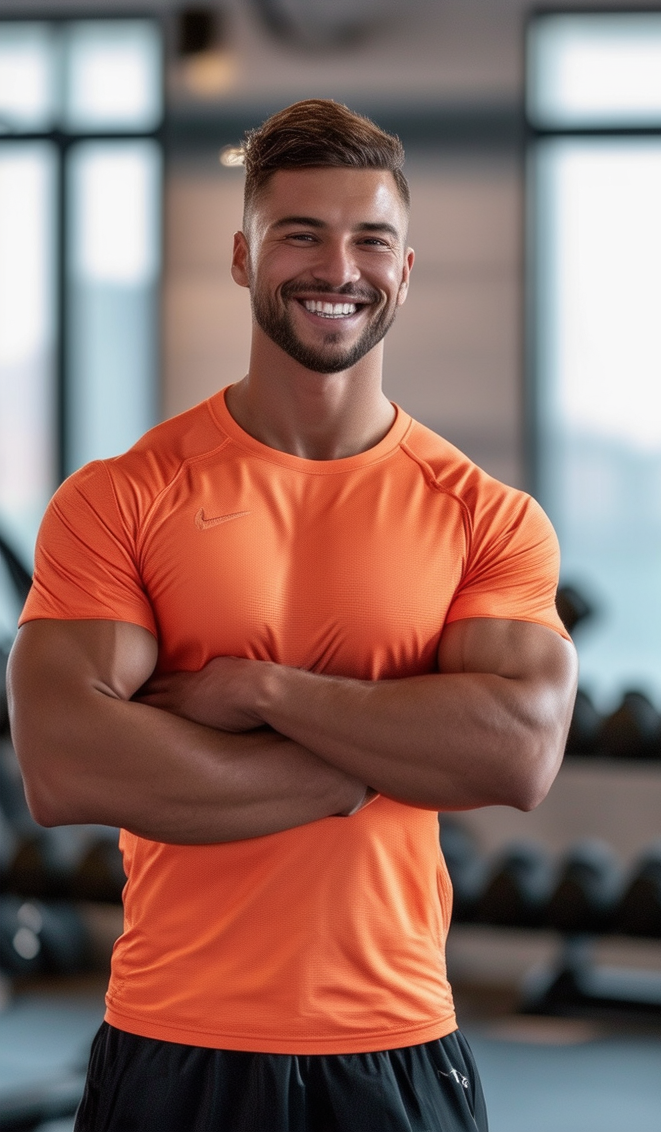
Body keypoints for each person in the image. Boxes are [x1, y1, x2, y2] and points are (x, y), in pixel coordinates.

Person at [8, 98, 577, 1132]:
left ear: (406, 270)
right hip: (171, 1040)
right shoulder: (122, 496)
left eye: (371, 239)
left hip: (392, 1044)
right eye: (299, 234)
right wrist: (379, 752)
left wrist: (260, 690)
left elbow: (516, 756)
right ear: (242, 255)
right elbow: (64, 765)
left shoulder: (483, 516)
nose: (337, 268)